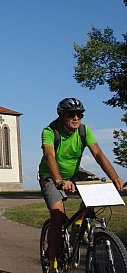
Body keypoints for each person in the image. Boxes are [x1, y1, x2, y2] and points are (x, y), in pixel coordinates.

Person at [38, 98, 125, 273]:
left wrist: (115, 177)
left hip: (75, 173)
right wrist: (59, 181)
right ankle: (53, 263)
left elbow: (98, 153)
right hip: (51, 175)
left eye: (80, 114)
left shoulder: (84, 131)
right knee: (57, 216)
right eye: (72, 115)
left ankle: (79, 224)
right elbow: (49, 156)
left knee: (97, 188)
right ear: (62, 115)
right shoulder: (50, 131)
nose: (76, 118)